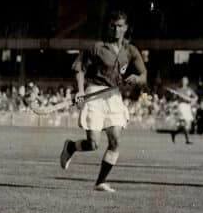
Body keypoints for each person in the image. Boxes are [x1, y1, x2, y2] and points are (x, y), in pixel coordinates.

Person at [59, 10, 147, 193]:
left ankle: (100, 182)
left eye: (120, 26)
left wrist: (137, 79)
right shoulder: (97, 48)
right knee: (93, 144)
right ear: (109, 27)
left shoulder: (130, 50)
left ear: (126, 28)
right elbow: (79, 69)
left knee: (115, 141)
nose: (116, 29)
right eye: (113, 26)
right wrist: (81, 91)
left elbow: (143, 75)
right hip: (95, 93)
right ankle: (71, 147)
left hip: (114, 96)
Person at [169, 76, 197, 144]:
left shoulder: (189, 90)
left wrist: (192, 100)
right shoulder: (178, 90)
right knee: (184, 124)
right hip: (181, 106)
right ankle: (187, 140)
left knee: (187, 125)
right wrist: (173, 95)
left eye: (185, 80)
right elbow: (174, 99)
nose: (183, 82)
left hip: (187, 107)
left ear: (187, 82)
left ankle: (174, 133)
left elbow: (195, 97)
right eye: (182, 80)